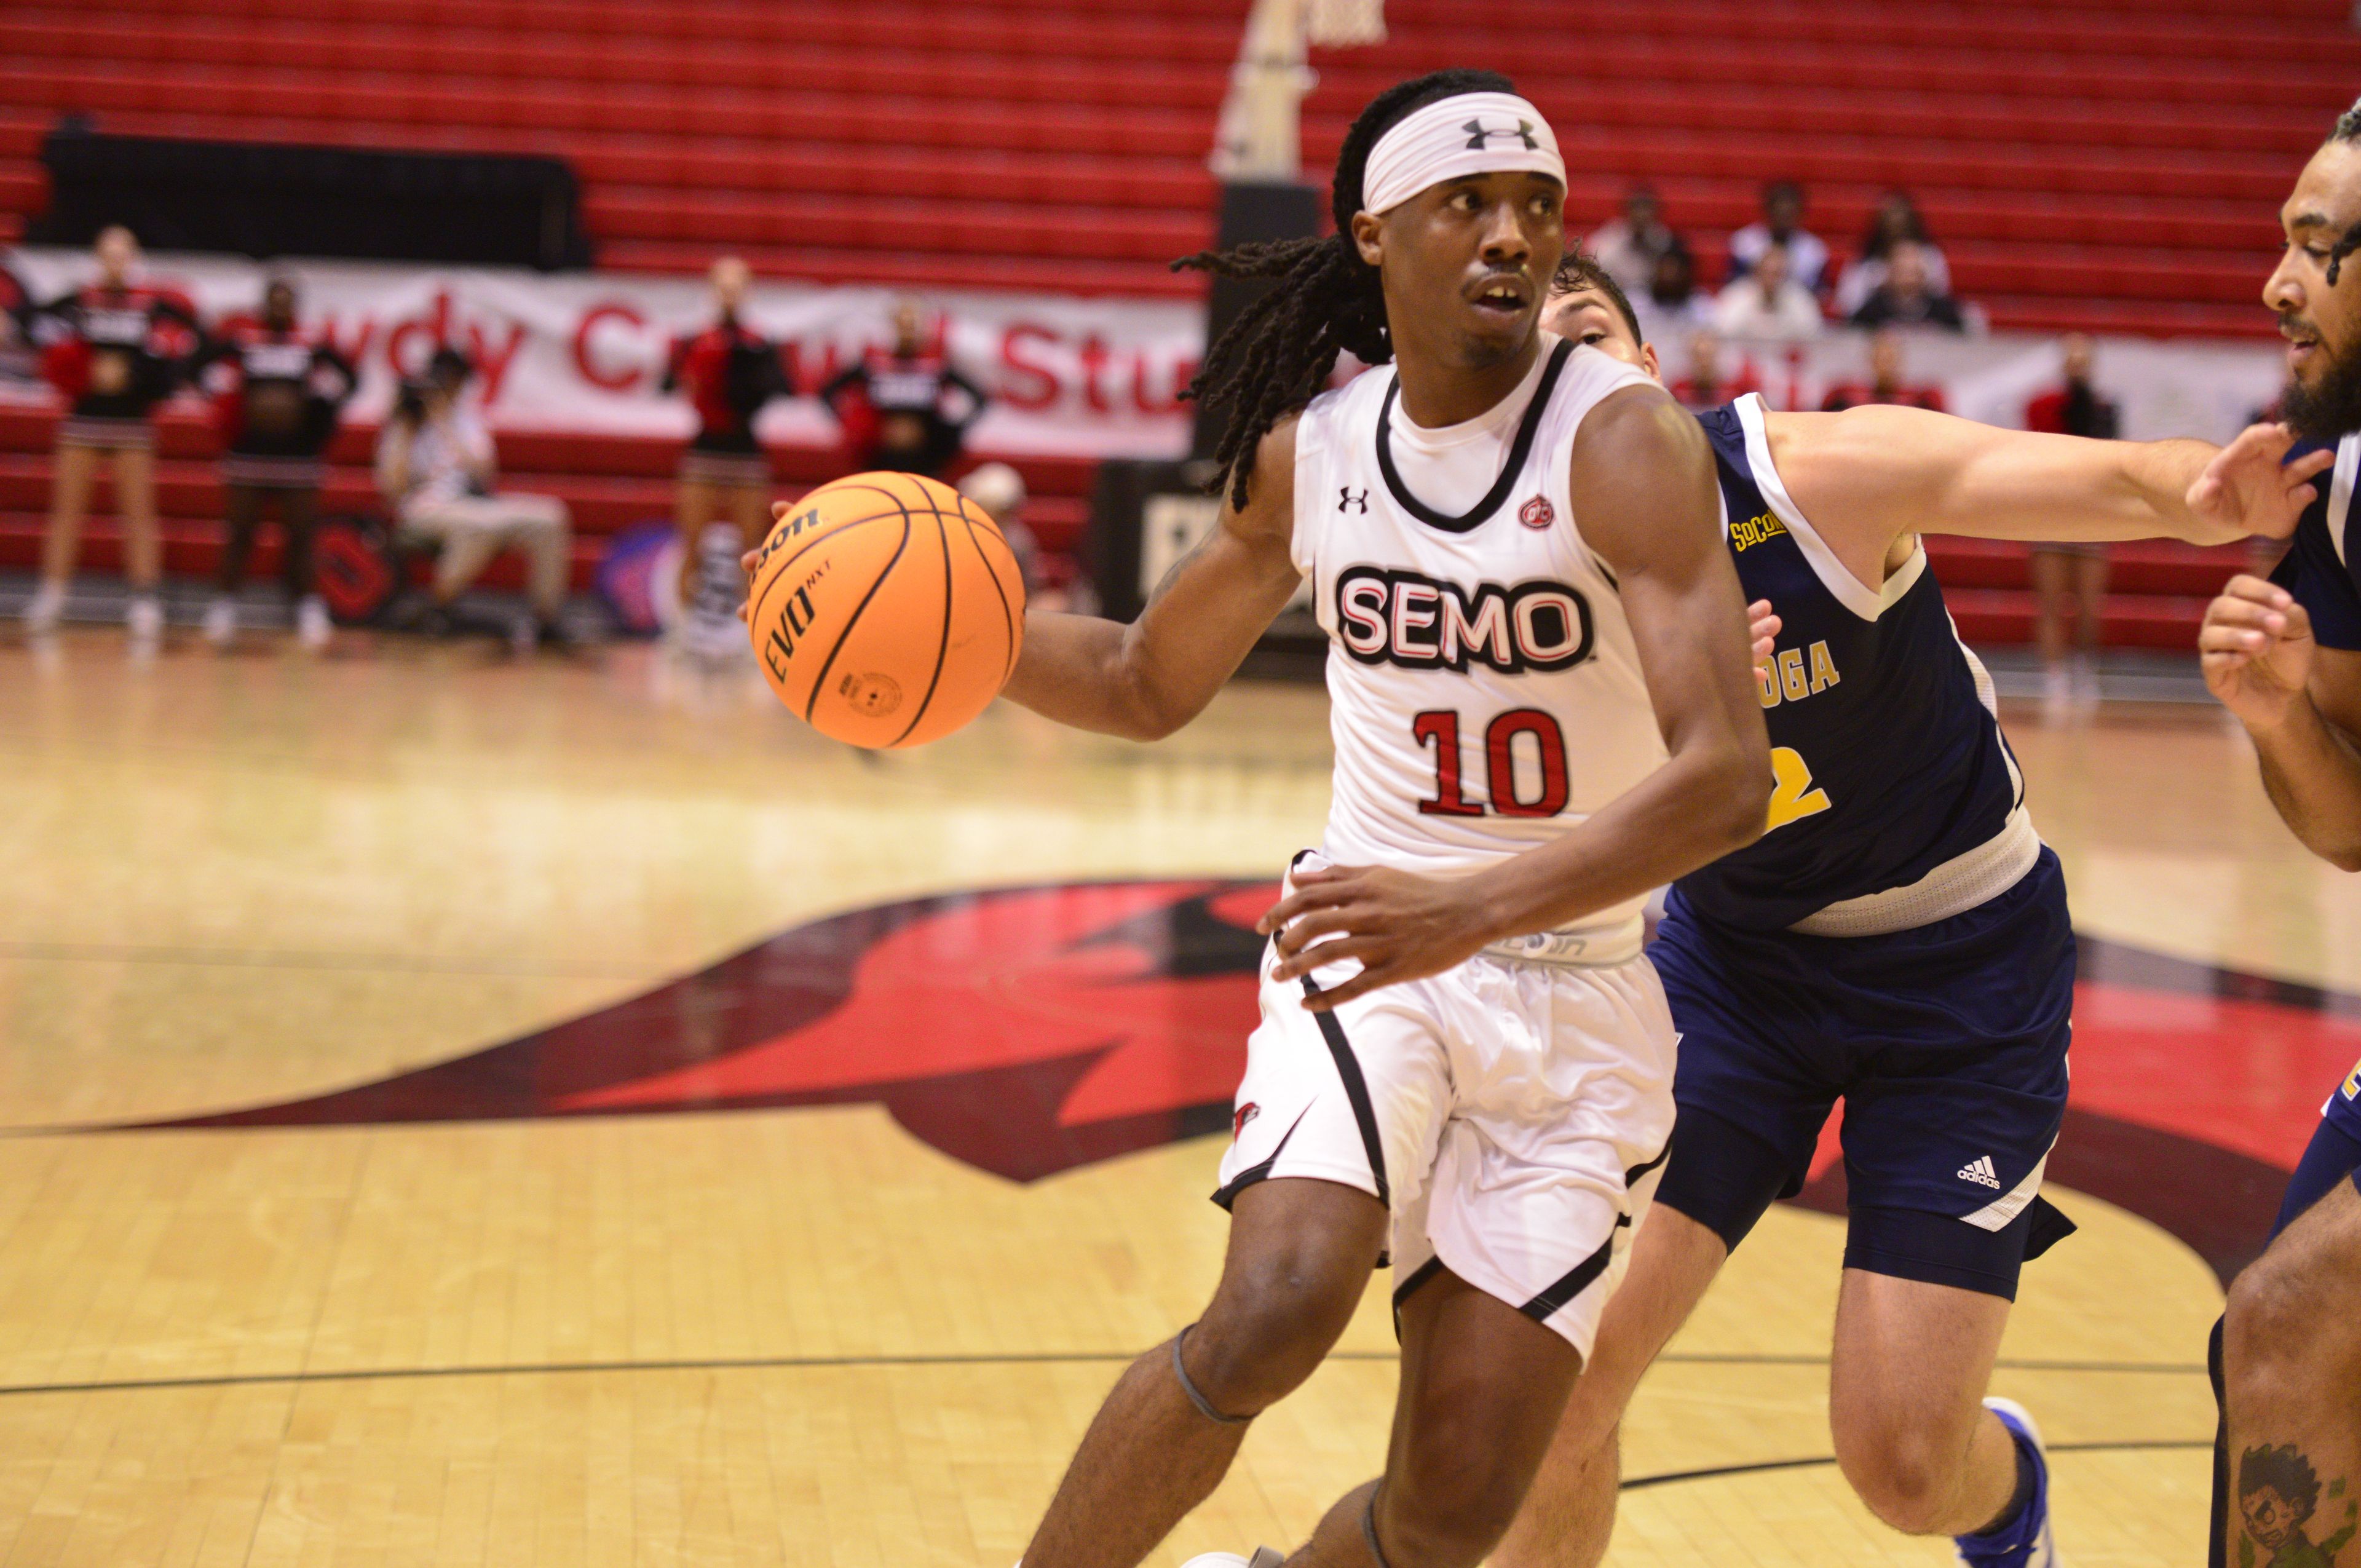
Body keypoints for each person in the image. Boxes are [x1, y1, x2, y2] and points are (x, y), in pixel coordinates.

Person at [960, 69, 1772, 1568]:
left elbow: (1726, 776)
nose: (1509, 237)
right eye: (1464, 204)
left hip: (1579, 991)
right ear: (1371, 235)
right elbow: (1146, 678)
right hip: (1364, 949)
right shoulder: (1315, 452)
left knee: (1453, 1504)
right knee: (1274, 1306)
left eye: (1534, 206)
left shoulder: (1621, 441)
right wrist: (953, 633)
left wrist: (1467, 909)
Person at [1506, 257, 2323, 1568]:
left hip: (1962, 972)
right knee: (1557, 1387)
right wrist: (1661, 735)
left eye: (1591, 336)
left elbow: (2041, 474)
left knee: (1901, 1463)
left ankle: (2010, 1508)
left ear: (1653, 369)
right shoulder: (1534, 589)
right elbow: (1547, 842)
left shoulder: (1803, 478)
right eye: (1531, 365)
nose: (1569, 376)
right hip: (1733, 973)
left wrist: (2194, 492)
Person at [2196, 94, 2361, 1568]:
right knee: (2270, 1340)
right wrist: (2281, 712)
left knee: (2290, 1322)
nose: (2275, 284)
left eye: (2318, 248)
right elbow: (2354, 829)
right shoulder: (2343, 481)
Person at [23, 225, 199, 643]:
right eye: (108, 254)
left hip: (132, 424)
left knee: (138, 515)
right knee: (66, 513)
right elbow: (37, 330)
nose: (116, 262)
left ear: (134, 258)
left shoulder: (152, 306)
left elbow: (180, 353)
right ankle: (53, 596)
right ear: (98, 257)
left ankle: (144, 601)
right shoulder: (77, 301)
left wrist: (135, 377)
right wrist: (82, 372)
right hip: (83, 420)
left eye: (123, 255)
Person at [374, 346, 574, 647]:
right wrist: (409, 429)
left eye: (456, 378)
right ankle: (438, 607)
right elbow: (394, 490)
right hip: (423, 509)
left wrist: (444, 424)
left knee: (550, 517)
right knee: (477, 526)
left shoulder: (466, 420)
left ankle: (546, 619)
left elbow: (484, 475)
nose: (449, 384)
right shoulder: (403, 422)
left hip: (472, 504)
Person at [196, 277, 357, 651]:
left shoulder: (310, 343)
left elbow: (351, 377)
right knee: (240, 534)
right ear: (264, 306)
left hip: (298, 456)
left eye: (287, 302)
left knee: (302, 536)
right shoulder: (244, 340)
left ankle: (309, 608)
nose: (280, 308)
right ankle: (225, 607)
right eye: (274, 301)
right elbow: (197, 365)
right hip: (249, 453)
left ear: (296, 307)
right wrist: (222, 402)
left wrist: (322, 412)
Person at [661, 256, 788, 604]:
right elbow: (668, 383)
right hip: (705, 451)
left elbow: (783, 386)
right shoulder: (694, 341)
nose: (730, 294)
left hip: (746, 452)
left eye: (737, 287)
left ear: (747, 291)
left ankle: (751, 640)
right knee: (691, 546)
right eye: (724, 287)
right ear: (713, 291)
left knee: (753, 553)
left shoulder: (760, 344)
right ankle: (681, 635)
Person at [2024, 334, 2122, 711]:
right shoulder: (2044, 405)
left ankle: (2085, 671)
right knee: (2049, 602)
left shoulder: (2104, 407)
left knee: (2089, 604)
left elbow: (2112, 458)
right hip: (2050, 514)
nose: (2077, 365)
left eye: (2084, 359)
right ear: (2063, 363)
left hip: (2091, 516)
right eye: (2072, 359)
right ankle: (2054, 678)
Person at [820, 299, 987, 477]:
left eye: (912, 326)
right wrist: (851, 427)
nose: (907, 332)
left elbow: (979, 397)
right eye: (901, 325)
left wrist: (953, 432)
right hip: (879, 458)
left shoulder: (934, 366)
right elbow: (829, 392)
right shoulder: (875, 365)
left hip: (926, 459)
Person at [1835, 190, 1953, 319]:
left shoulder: (1930, 256)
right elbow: (1847, 303)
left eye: (1912, 271)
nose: (1896, 225)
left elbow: (1941, 293)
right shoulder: (1866, 264)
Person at [1728, 179, 1830, 295]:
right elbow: (1734, 285)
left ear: (1800, 212)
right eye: (1779, 212)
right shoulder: (1744, 242)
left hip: (1796, 305)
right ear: (1768, 210)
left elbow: (1820, 292)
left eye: (1788, 214)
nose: (1783, 220)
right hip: (1753, 303)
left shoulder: (1813, 249)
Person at [1584, 183, 1678, 298]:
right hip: (1614, 297)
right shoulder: (1605, 241)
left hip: (1654, 305)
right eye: (1638, 208)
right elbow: (1595, 277)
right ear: (1626, 211)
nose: (1642, 215)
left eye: (1647, 209)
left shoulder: (1666, 241)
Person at [1850, 240, 1968, 332]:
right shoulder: (1872, 310)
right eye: (1902, 272)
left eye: (1913, 272)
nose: (1908, 280)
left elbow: (1964, 340)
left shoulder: (1944, 310)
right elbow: (1851, 335)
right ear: (1891, 275)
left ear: (1923, 275)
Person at [1713, 241, 1822, 340]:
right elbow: (1724, 329)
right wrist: (1754, 301)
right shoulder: (1737, 295)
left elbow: (1810, 331)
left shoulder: (1799, 297)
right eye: (1766, 272)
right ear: (1756, 271)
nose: (1771, 279)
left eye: (1777, 274)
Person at [1820, 327, 1945, 412]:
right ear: (1870, 359)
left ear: (1900, 360)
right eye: (1880, 358)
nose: (1885, 364)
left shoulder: (1923, 399)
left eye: (1890, 358)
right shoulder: (1843, 396)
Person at [1629, 242, 1714, 346]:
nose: (1669, 277)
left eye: (1676, 272)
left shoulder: (1701, 307)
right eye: (1665, 270)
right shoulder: (1636, 302)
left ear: (1686, 273)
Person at [1666, 327, 1760, 412]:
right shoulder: (1679, 389)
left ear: (1716, 353)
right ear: (1690, 355)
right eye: (1698, 355)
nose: (1704, 363)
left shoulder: (1736, 389)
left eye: (1707, 355)